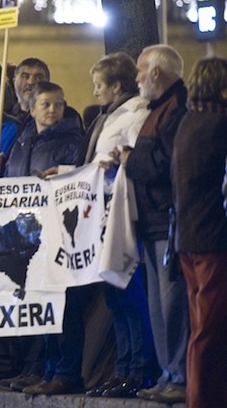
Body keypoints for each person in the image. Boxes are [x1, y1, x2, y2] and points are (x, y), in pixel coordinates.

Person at [0, 82, 87, 396]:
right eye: (46, 104)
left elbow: (83, 177)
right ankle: (48, 369)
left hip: (60, 235)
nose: (53, 110)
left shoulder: (73, 141)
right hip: (30, 238)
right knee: (43, 306)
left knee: (64, 307)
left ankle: (66, 372)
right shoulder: (22, 142)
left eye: (58, 104)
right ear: (31, 109)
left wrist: (63, 173)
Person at [78, 52, 155, 399]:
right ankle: (122, 367)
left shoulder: (136, 112)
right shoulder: (109, 115)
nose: (95, 91)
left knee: (129, 293)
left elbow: (136, 155)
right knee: (114, 296)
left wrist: (118, 161)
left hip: (123, 214)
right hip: (103, 215)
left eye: (99, 85)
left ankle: (139, 369)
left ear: (116, 85)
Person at [121, 44, 189, 405]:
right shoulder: (160, 109)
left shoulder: (175, 110)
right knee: (157, 305)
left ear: (157, 73)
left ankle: (178, 375)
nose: (136, 78)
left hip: (166, 220)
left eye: (140, 70)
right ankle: (167, 374)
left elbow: (166, 165)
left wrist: (130, 161)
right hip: (151, 220)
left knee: (171, 303)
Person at [172, 57, 227, 408]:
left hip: (188, 238)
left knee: (200, 326)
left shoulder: (188, 121)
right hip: (213, 239)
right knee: (210, 330)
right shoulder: (219, 124)